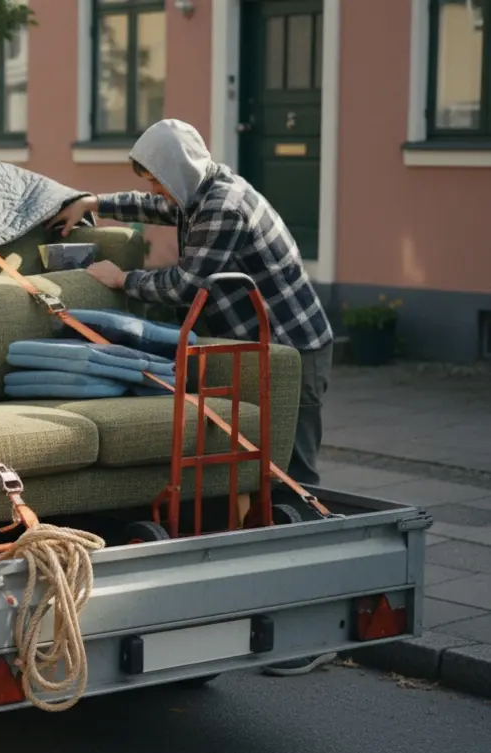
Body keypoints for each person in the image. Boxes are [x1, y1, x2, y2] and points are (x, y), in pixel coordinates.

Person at [49, 118, 336, 677]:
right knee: (258, 479)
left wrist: (118, 280)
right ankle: (261, 611)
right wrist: (94, 202)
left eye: (157, 178)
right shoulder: (199, 191)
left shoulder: (222, 207)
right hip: (256, 349)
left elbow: (188, 286)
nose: (155, 191)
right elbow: (154, 208)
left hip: (292, 352)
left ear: (176, 171)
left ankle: (315, 631)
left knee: (293, 481)